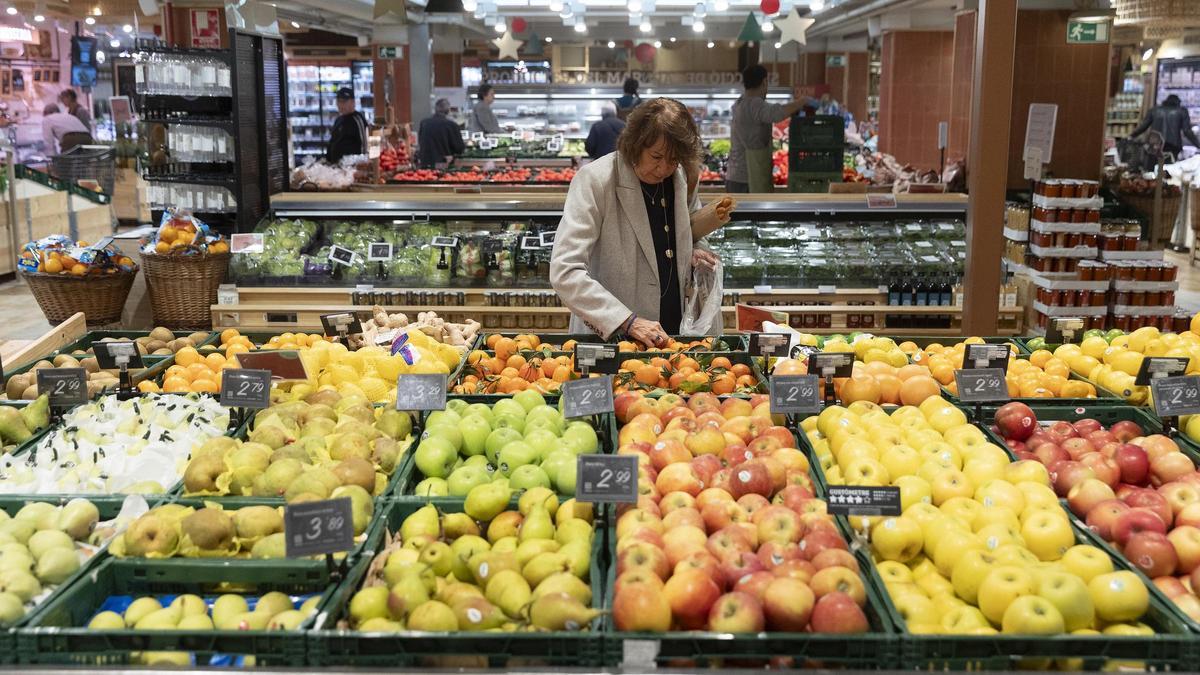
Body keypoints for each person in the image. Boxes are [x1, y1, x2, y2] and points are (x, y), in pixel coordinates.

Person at [551, 97, 727, 345]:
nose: (664, 168)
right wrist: (627, 321)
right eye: (656, 156)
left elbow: (692, 229)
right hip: (612, 336)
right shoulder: (595, 180)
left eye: (674, 158)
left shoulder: (682, 177)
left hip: (672, 333)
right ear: (635, 144)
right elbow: (564, 271)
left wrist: (695, 249)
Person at [727, 65, 806, 193]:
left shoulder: (741, 103)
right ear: (765, 82)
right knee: (752, 213)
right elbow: (776, 113)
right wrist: (802, 101)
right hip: (747, 179)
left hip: (736, 176)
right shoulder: (754, 104)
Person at [1130, 94, 1200, 158]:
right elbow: (1187, 131)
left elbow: (1143, 126)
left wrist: (1131, 136)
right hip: (1173, 146)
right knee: (1170, 168)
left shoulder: (1154, 110)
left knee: (1154, 167)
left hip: (1155, 145)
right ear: (1178, 102)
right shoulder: (1182, 111)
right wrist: (1198, 145)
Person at [417, 98, 465, 169]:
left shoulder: (424, 123)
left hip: (424, 163)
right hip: (443, 165)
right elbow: (459, 148)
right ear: (448, 111)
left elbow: (420, 141)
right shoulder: (452, 125)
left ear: (435, 109)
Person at [326, 88, 369, 163]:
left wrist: (362, 165)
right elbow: (333, 141)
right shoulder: (338, 120)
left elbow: (364, 145)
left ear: (353, 102)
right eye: (339, 101)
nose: (341, 105)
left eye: (344, 102)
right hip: (335, 167)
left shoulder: (358, 120)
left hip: (351, 168)